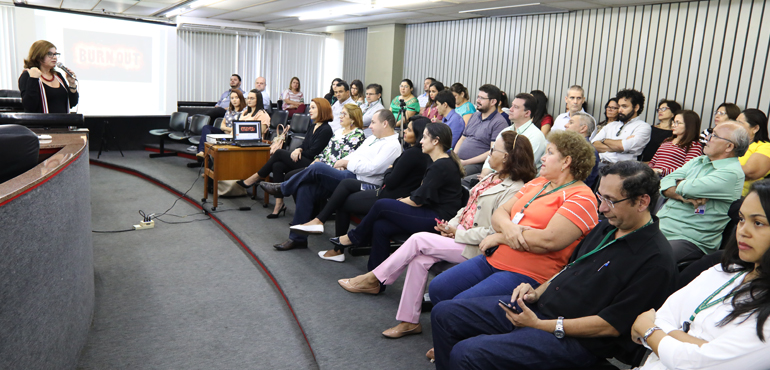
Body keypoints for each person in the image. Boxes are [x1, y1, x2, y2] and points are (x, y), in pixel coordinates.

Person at [430, 161, 677, 369]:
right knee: (445, 313)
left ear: (643, 202)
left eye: (610, 201)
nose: (602, 208)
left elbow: (611, 326)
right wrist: (534, 291)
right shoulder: (606, 227)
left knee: (467, 353)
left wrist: (539, 325)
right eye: (601, 197)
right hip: (541, 310)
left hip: (574, 339)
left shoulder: (655, 260)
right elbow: (568, 268)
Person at [336, 130, 537, 338]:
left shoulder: (515, 189)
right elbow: (466, 208)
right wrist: (450, 226)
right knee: (419, 260)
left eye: (493, 150)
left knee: (418, 239)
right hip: (458, 236)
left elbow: (494, 230)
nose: (489, 153)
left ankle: (374, 278)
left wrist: (457, 233)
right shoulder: (491, 178)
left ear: (506, 156)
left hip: (476, 247)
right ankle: (409, 322)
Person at [631, 179, 770, 370]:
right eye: (741, 219)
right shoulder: (723, 270)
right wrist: (699, 347)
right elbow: (662, 316)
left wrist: (648, 331)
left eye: (758, 223)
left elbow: (699, 364)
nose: (743, 231)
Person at [290, 116, 432, 261]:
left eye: (409, 129)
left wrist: (389, 169)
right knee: (341, 185)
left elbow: (388, 179)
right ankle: (320, 224)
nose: (405, 132)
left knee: (325, 177)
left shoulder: (408, 152)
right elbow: (357, 157)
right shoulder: (391, 145)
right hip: (367, 180)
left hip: (383, 192)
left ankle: (335, 244)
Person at [260, 109, 402, 251]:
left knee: (318, 168)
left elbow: (373, 169)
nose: (369, 126)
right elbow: (354, 155)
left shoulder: (392, 146)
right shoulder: (372, 138)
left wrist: (347, 164)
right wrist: (342, 162)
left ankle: (283, 188)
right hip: (349, 173)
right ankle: (297, 239)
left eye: (373, 122)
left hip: (362, 183)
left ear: (384, 124)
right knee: (306, 188)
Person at [331, 122, 465, 271]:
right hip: (431, 212)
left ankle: (354, 237)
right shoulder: (439, 163)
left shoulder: (441, 166)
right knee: (381, 226)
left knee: (382, 204)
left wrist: (399, 202)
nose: (420, 141)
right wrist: (400, 202)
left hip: (438, 219)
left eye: (425, 137)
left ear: (435, 141)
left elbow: (417, 200)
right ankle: (375, 278)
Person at [658, 122, 749, 263]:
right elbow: (663, 182)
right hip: (661, 226)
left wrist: (678, 185)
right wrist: (682, 197)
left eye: (714, 136)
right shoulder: (698, 160)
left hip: (689, 239)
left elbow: (686, 188)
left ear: (729, 146)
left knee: (651, 259)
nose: (707, 139)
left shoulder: (732, 173)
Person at [236, 98, 336, 217]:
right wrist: (298, 149)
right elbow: (304, 145)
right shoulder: (313, 126)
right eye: (311, 107)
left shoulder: (326, 129)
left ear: (323, 110)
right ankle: (279, 204)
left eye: (313, 108)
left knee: (278, 153)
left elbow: (313, 152)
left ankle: (256, 177)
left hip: (313, 164)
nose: (310, 110)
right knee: (277, 165)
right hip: (304, 158)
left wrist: (298, 152)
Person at [474, 93, 547, 187]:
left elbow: (520, 167)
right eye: (512, 105)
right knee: (463, 185)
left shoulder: (536, 136)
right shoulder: (506, 130)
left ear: (527, 113)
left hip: (516, 184)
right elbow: (492, 154)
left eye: (516, 107)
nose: (510, 109)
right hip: (494, 177)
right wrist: (485, 174)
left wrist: (492, 179)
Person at [455, 84, 509, 177]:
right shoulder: (475, 116)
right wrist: (453, 156)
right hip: (461, 160)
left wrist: (465, 162)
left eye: (482, 98)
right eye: (478, 97)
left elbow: (492, 151)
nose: (477, 100)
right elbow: (463, 138)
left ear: (493, 102)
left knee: (453, 175)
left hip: (477, 164)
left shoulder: (499, 122)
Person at [592, 89, 652, 164]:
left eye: (624, 106)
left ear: (636, 108)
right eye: (619, 106)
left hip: (622, 169)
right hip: (600, 163)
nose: (620, 110)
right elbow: (593, 146)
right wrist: (618, 145)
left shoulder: (643, 127)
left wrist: (603, 141)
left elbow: (622, 147)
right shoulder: (611, 125)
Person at [19, 40, 78, 113]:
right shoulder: (28, 75)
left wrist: (72, 84)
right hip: (42, 123)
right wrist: (33, 79)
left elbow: (72, 103)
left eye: (55, 54)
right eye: (50, 54)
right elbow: (30, 106)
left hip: (63, 123)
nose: (55, 57)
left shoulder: (57, 76)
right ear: (39, 56)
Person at [647, 110, 704, 177]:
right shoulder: (667, 141)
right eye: (673, 122)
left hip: (670, 179)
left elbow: (687, 170)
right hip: (652, 176)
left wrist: (660, 171)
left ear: (689, 125)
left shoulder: (694, 145)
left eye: (678, 123)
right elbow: (653, 161)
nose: (673, 125)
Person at [197, 89, 246, 157]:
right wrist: (226, 129)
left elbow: (239, 129)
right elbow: (222, 125)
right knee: (206, 127)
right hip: (225, 133)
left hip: (234, 135)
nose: (234, 100)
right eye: (232, 98)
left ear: (241, 98)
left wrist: (227, 129)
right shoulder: (229, 110)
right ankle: (202, 151)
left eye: (236, 97)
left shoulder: (244, 111)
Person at [737, 109, 770, 196]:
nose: (735, 126)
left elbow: (750, 172)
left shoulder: (765, 147)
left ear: (755, 128)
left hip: (743, 197)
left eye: (740, 123)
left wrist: (719, 167)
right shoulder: (734, 144)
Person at [565, 112, 600, 188]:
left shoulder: (586, 152)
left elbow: (577, 182)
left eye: (571, 123)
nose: (565, 125)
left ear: (583, 128)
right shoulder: (573, 147)